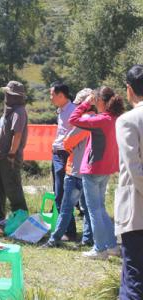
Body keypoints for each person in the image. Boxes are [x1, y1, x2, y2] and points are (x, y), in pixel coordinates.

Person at [69, 86, 124, 260]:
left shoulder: (100, 119)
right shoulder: (116, 118)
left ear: (100, 101)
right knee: (100, 208)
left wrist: (85, 104)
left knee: (94, 210)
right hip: (106, 168)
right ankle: (113, 246)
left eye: (95, 100)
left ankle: (100, 249)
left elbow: (73, 119)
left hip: (93, 169)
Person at [43, 88, 93, 248]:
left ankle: (56, 238)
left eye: (78, 105)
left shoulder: (85, 120)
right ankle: (87, 239)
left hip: (76, 168)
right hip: (89, 168)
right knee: (88, 207)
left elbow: (68, 142)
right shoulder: (99, 119)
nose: (76, 108)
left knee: (66, 206)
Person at [115, 65, 143, 299]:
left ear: (129, 89)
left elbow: (135, 169)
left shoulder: (128, 120)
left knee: (133, 279)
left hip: (137, 212)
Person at [0, 81, 28, 233]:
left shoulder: (19, 111)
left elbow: (17, 135)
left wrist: (12, 154)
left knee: (14, 192)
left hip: (9, 158)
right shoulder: (10, 111)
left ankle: (21, 225)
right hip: (0, 157)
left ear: (13, 96)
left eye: (8, 93)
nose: (5, 96)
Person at [50, 82, 77, 241]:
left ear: (61, 95)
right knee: (58, 194)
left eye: (52, 94)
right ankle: (67, 230)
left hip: (64, 155)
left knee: (62, 194)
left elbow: (77, 134)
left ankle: (69, 232)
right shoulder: (61, 111)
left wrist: (68, 149)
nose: (50, 98)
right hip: (57, 154)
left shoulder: (73, 111)